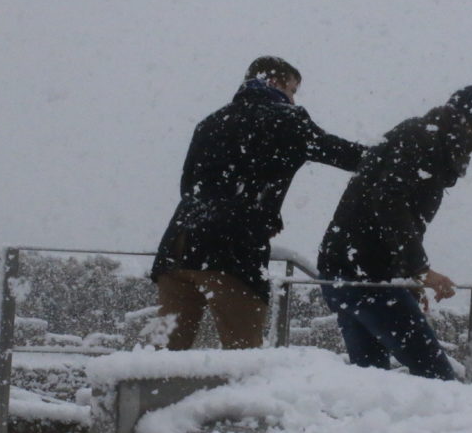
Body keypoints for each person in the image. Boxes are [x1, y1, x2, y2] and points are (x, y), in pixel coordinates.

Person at [148, 56, 365, 350]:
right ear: (275, 82)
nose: (292, 98)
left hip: (176, 250)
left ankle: (147, 396)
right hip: (230, 252)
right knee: (242, 355)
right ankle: (237, 397)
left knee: (161, 355)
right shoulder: (288, 120)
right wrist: (396, 158)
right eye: (293, 89)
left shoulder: (211, 122)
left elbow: (188, 186)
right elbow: (345, 154)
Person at [317, 86, 472, 380]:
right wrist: (421, 269)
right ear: (469, 123)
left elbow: (396, 213)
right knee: (437, 377)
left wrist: (408, 275)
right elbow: (389, 204)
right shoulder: (422, 141)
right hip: (365, 273)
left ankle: (371, 424)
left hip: (348, 266)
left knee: (370, 380)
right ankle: (456, 424)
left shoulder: (426, 141)